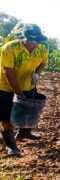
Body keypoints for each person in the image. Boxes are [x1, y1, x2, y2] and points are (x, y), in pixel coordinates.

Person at [0, 23, 48, 156]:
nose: (35, 44)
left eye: (37, 41)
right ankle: (10, 145)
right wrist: (19, 93)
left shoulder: (42, 48)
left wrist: (36, 73)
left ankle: (24, 133)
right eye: (32, 41)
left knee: (29, 110)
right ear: (23, 38)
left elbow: (43, 62)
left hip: (28, 85)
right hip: (6, 87)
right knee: (6, 116)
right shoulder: (10, 48)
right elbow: (7, 72)